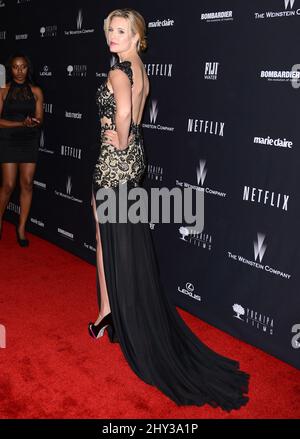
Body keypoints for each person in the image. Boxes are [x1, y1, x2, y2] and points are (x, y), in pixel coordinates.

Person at [89, 8, 250, 411]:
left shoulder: (117, 72)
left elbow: (125, 115)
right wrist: (129, 140)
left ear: (135, 36)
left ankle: (116, 313)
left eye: (121, 31)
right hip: (136, 160)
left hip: (115, 160)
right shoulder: (140, 69)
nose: (112, 35)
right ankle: (108, 310)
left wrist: (119, 140)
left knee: (109, 230)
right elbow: (139, 113)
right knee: (108, 231)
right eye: (110, 29)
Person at [0, 54, 43, 246]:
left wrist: (32, 122)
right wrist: (19, 123)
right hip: (8, 138)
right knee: (8, 185)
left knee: (26, 183)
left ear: (28, 68)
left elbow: (39, 119)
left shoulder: (36, 91)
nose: (19, 71)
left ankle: (21, 228)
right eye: (15, 67)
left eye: (23, 67)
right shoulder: (3, 90)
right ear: (11, 69)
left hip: (28, 140)